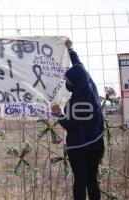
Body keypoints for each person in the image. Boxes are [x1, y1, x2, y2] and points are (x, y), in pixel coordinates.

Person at [51, 39, 104, 200]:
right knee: (92, 181)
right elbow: (79, 67)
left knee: (81, 181)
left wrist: (59, 112)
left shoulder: (78, 103)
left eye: (68, 82)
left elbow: (70, 125)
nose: (66, 83)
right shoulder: (88, 84)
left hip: (80, 148)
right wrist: (71, 49)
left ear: (74, 84)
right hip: (96, 143)